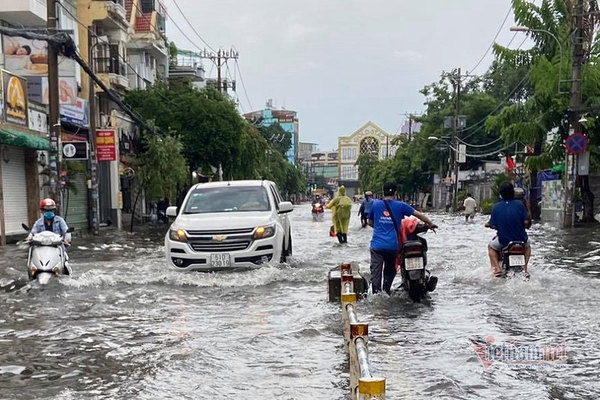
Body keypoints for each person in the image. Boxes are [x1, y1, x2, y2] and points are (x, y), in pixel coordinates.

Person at [368, 182, 436, 294]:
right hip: (392, 246)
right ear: (395, 193)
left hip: (377, 246)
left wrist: (381, 227)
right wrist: (430, 223)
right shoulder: (400, 205)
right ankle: (386, 291)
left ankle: (376, 293)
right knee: (390, 271)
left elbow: (370, 222)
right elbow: (418, 214)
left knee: (376, 272)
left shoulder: (375, 205)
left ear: (383, 191)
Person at [487, 182, 532, 277]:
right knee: (528, 247)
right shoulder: (520, 205)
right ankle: (525, 267)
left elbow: (493, 224)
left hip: (503, 241)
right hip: (521, 240)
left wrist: (491, 225)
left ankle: (497, 268)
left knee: (491, 247)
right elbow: (526, 222)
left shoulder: (496, 207)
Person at [26, 198, 71, 275]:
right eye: (47, 211)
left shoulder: (60, 220)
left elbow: (66, 231)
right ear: (42, 211)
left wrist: (67, 239)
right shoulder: (38, 222)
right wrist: (29, 238)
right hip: (42, 248)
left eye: (51, 210)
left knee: (65, 264)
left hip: (56, 247)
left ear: (54, 211)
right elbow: (33, 232)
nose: (49, 212)